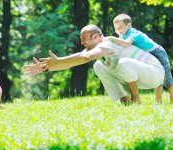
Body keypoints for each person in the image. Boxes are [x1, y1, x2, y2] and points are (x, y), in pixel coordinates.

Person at [24, 25, 165, 104]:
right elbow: (76, 60)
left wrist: (59, 60)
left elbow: (85, 57)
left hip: (155, 73)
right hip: (138, 75)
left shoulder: (107, 44)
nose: (82, 42)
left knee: (123, 62)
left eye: (84, 38)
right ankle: (125, 101)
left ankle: (136, 101)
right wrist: (45, 68)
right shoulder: (97, 49)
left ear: (97, 37)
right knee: (98, 65)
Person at [104, 14, 173, 104]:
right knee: (158, 81)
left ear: (129, 25)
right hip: (146, 56)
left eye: (120, 27)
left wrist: (111, 38)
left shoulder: (133, 33)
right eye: (115, 28)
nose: (118, 30)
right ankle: (158, 103)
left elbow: (126, 44)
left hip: (156, 52)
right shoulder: (122, 36)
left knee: (167, 78)